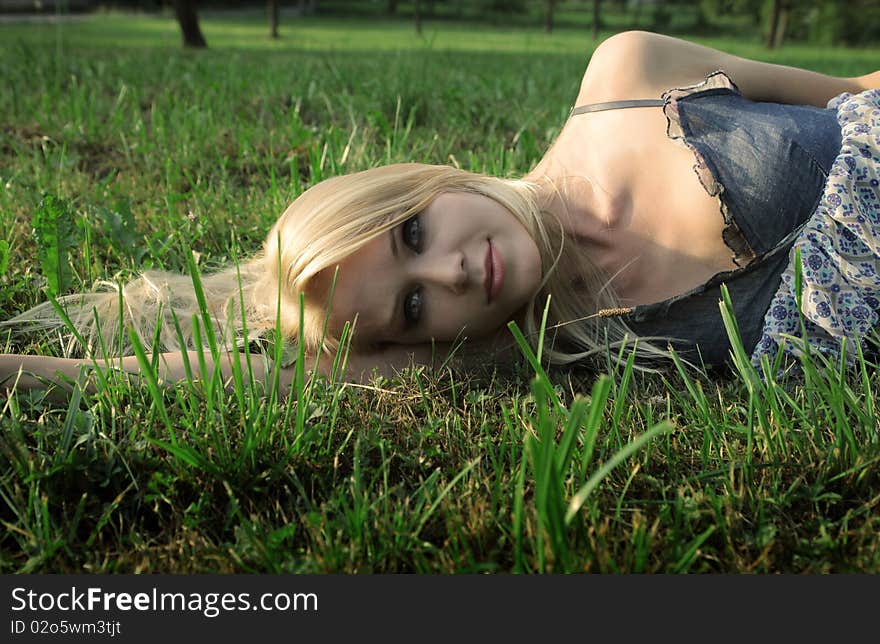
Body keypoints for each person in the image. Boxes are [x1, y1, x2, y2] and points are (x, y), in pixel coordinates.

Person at [2, 31, 880, 399]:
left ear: (429, 181)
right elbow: (269, 381)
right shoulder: (532, 347)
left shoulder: (628, 75)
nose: (451, 273)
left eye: (413, 235)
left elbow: (854, 91)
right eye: (414, 306)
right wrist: (28, 372)